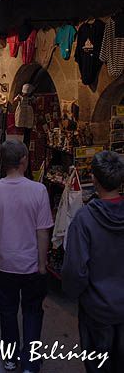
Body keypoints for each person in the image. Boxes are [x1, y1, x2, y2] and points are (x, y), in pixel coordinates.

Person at [0, 140, 53, 372]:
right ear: (24, 161)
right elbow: (43, 231)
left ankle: (10, 358)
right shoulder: (38, 190)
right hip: (31, 265)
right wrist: (42, 263)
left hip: (3, 264)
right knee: (32, 312)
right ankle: (30, 362)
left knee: (7, 311)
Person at [62, 150, 124, 373]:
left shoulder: (85, 219)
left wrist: (76, 293)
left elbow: (75, 270)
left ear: (94, 179)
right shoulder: (85, 219)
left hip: (97, 309)